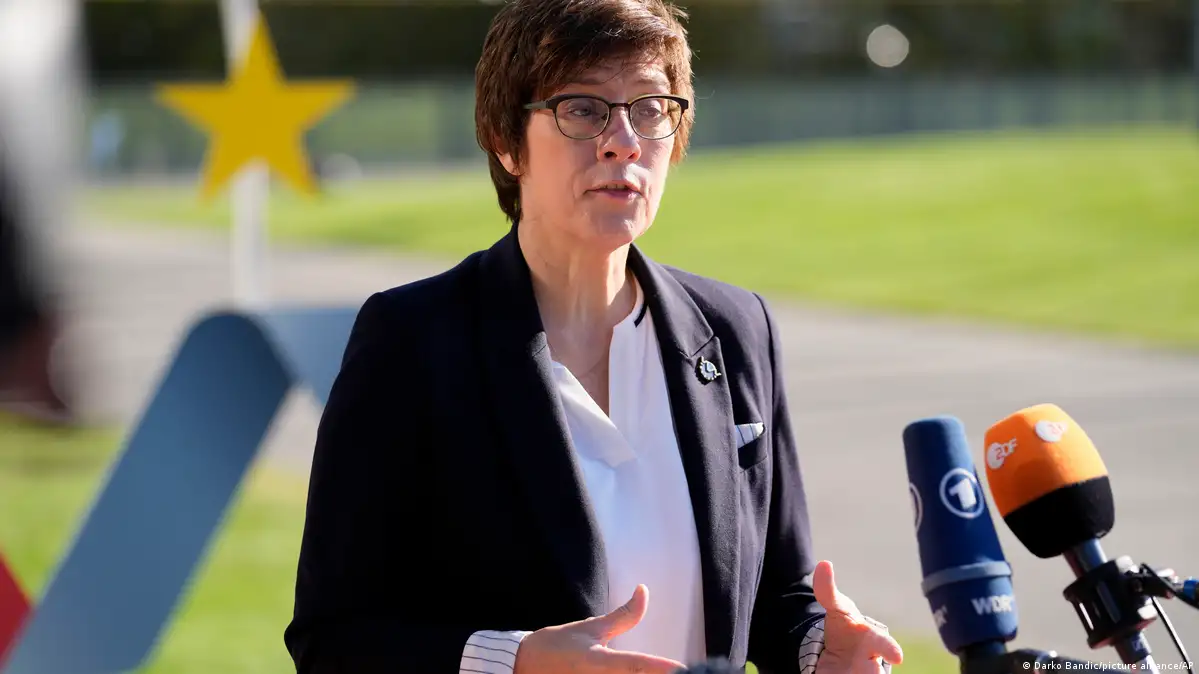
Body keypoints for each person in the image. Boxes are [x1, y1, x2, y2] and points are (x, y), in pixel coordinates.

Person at [284, 0, 903, 672]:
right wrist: (515, 662)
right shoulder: (411, 340)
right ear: (504, 140)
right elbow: (333, 638)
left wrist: (817, 648)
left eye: (650, 108)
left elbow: (778, 594)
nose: (623, 141)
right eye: (582, 109)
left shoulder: (735, 328)